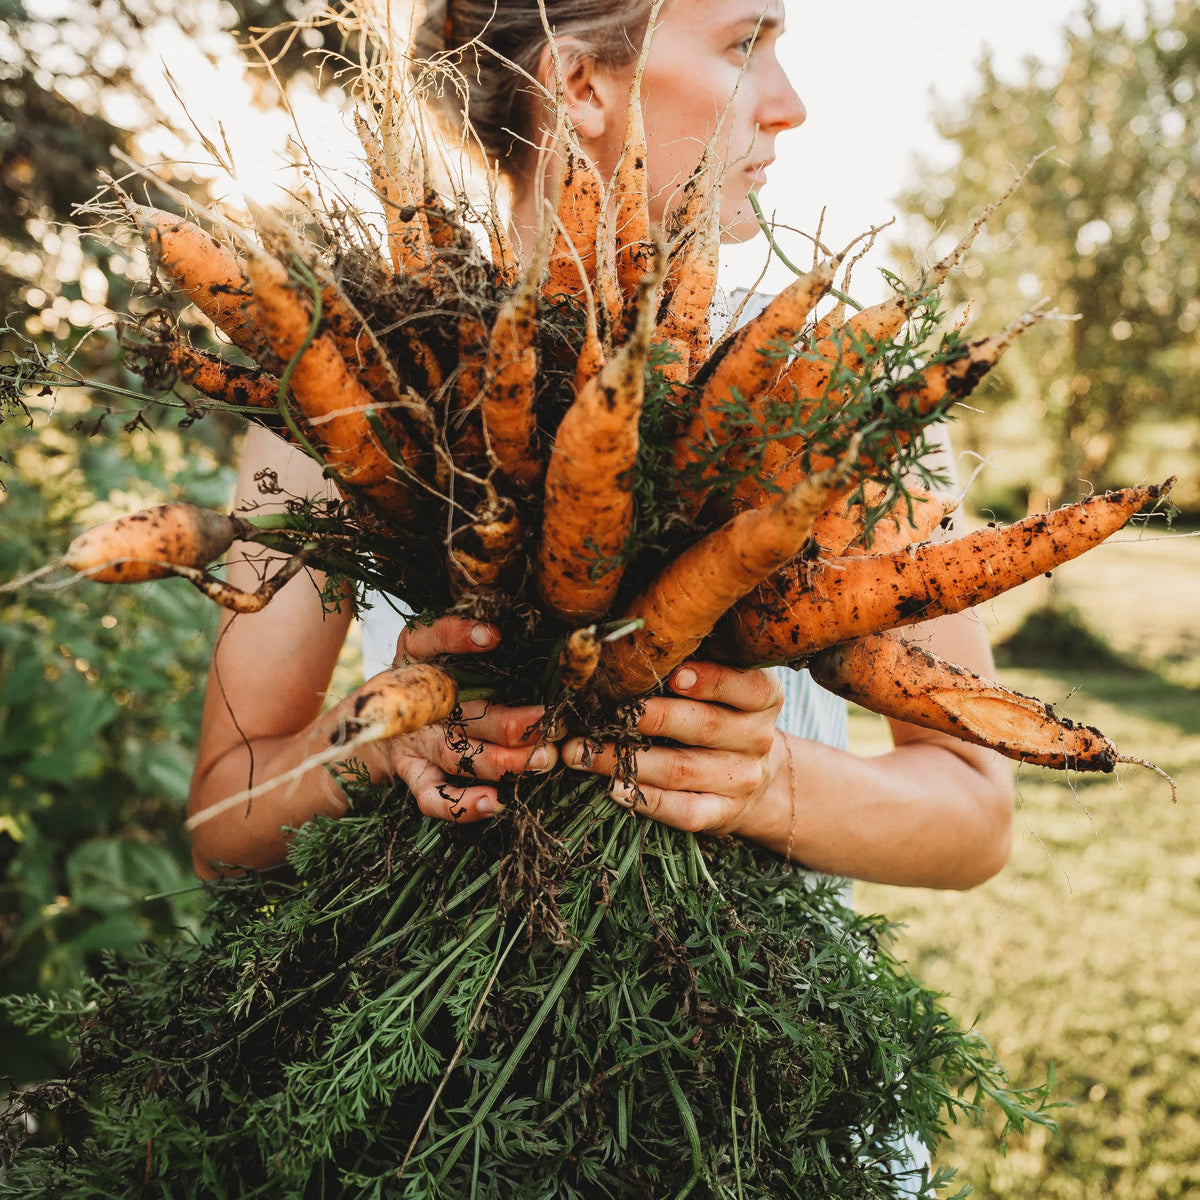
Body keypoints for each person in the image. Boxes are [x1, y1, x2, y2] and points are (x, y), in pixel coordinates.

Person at [187, 0, 1013, 898]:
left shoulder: (839, 385)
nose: (789, 105)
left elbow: (975, 820)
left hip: (758, 1025)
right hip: (457, 1033)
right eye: (747, 43)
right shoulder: (350, 392)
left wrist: (768, 783)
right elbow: (222, 832)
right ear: (581, 85)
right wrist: (368, 746)